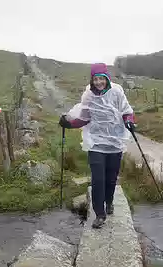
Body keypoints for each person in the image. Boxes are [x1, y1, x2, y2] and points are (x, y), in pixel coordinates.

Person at [59, 63, 135, 229]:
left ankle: (109, 202)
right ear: (92, 80)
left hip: (115, 142)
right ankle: (99, 214)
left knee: (111, 177)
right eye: (95, 79)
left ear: (107, 78)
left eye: (101, 79)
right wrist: (69, 124)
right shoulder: (89, 96)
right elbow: (84, 118)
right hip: (95, 143)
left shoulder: (117, 91)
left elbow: (126, 111)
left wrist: (129, 122)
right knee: (98, 179)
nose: (99, 82)